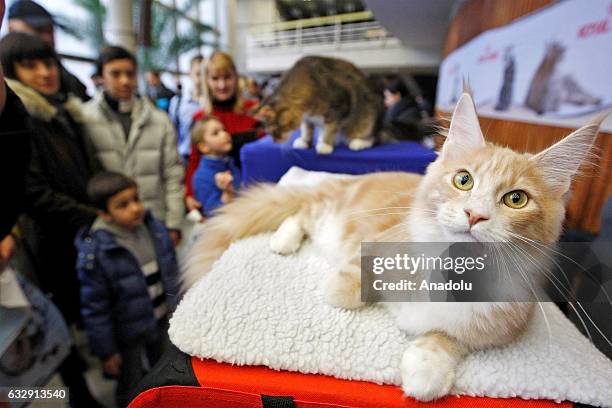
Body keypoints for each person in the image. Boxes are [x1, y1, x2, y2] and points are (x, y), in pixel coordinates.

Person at [0, 31, 102, 407]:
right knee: (56, 332)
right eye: (30, 65)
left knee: (78, 319)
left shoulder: (61, 111)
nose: (45, 72)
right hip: (46, 244)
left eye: (49, 63)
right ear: (11, 72)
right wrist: (95, 214)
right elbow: (33, 193)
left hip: (76, 234)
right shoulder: (20, 119)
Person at [75, 171, 179, 407]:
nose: (135, 208)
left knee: (163, 369)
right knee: (131, 381)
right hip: (128, 332)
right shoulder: (96, 253)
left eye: (136, 199)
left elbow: (171, 271)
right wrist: (106, 351)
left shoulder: (154, 229)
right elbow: (95, 307)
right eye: (123, 205)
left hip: (161, 317)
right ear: (104, 213)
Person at [82, 46, 185, 245]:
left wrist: (174, 224)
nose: (124, 81)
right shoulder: (85, 119)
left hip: (154, 222)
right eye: (115, 74)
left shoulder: (159, 120)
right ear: (101, 77)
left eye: (130, 74)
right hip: (109, 230)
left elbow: (172, 174)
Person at [185, 51, 261, 212]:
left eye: (227, 77)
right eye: (215, 78)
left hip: (256, 192)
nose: (222, 85)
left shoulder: (254, 111)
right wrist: (190, 194)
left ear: (236, 77)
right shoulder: (200, 117)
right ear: (206, 80)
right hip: (219, 200)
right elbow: (194, 160)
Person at [7, 0, 90, 101]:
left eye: (50, 31)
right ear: (11, 29)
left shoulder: (66, 77)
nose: (47, 38)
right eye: (39, 30)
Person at [191, 116, 241, 215]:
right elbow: (212, 214)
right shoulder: (201, 177)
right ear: (204, 147)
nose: (225, 134)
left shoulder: (230, 163)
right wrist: (227, 192)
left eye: (224, 130)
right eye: (216, 133)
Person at [168, 55, 204, 164]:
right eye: (198, 74)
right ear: (190, 74)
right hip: (185, 158)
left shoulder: (213, 103)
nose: (202, 78)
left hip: (207, 158)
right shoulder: (178, 103)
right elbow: (172, 133)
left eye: (205, 74)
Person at [383, 77, 427, 142]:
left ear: (397, 95)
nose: (385, 101)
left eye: (388, 97)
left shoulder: (408, 114)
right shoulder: (405, 110)